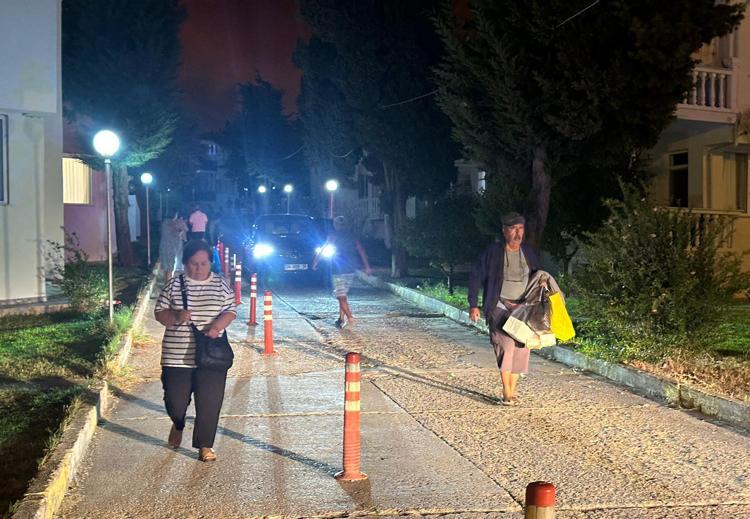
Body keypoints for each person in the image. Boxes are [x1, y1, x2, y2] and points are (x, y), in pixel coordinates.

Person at [154, 240, 237, 461]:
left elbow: (231, 310)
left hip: (211, 355)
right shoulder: (175, 284)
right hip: (177, 356)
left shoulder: (220, 284)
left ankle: (205, 445)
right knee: (175, 403)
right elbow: (159, 312)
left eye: (203, 263)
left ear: (211, 263)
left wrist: (217, 326)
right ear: (185, 263)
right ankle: (178, 424)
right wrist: (176, 316)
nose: (198, 268)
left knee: (210, 402)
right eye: (193, 263)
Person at [468, 212, 541, 406]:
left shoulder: (528, 252)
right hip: (499, 305)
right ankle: (506, 391)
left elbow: (537, 275)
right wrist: (473, 304)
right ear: (504, 230)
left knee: (521, 348)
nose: (517, 233)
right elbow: (476, 276)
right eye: (513, 229)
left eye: (521, 228)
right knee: (506, 346)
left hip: (523, 308)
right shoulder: (493, 252)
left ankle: (513, 390)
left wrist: (541, 285)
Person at [313, 215, 371, 328]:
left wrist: (316, 261)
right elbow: (361, 250)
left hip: (338, 269)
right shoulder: (352, 236)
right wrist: (367, 266)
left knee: (341, 295)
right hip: (350, 269)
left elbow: (324, 248)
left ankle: (350, 317)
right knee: (342, 294)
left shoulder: (333, 236)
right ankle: (341, 318)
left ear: (335, 225)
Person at [158, 214, 187, 282]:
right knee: (170, 269)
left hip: (163, 247)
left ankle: (167, 284)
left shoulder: (164, 223)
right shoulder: (175, 223)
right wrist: (181, 231)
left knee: (166, 269)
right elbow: (183, 237)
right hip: (172, 249)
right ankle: (169, 285)